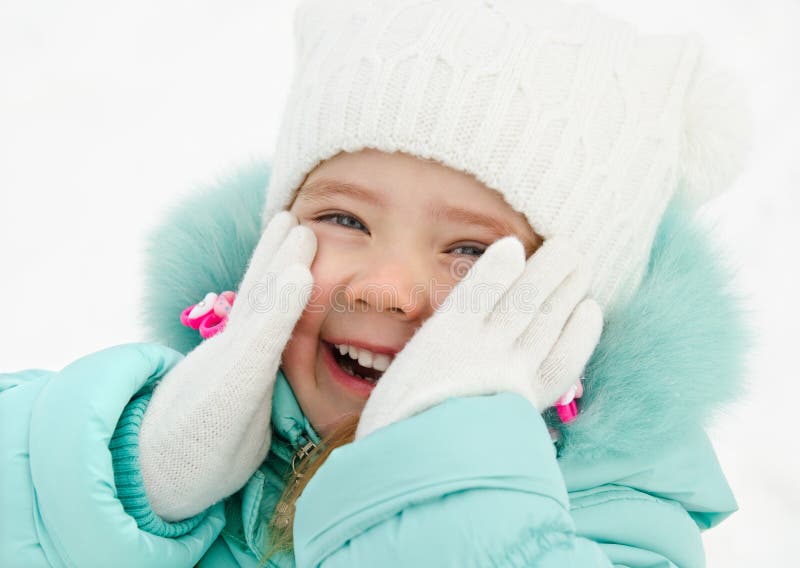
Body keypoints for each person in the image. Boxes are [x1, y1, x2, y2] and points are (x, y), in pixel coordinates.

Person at [1, 0, 754, 566]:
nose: (385, 289)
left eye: (467, 250)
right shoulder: (194, 427)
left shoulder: (620, 517)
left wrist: (446, 474)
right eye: (346, 219)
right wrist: (130, 477)